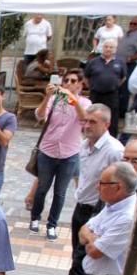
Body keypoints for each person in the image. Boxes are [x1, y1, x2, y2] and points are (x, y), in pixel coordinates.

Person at [48, 104, 125, 275]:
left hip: (97, 211)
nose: (87, 126)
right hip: (81, 207)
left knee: (79, 262)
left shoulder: (114, 150)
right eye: (86, 121)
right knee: (77, 257)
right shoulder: (84, 146)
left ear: (106, 124)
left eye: (93, 122)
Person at [29, 71, 92, 240]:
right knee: (42, 188)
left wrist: (72, 98)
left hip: (69, 153)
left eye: (73, 81)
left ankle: (52, 225)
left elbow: (85, 119)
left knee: (60, 192)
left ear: (80, 84)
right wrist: (47, 96)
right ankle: (35, 218)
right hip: (47, 150)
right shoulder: (54, 99)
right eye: (67, 81)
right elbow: (39, 115)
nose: (69, 83)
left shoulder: (85, 102)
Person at [84, 40, 126, 136]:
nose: (108, 49)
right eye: (106, 47)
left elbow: (123, 78)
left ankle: (110, 138)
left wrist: (113, 85)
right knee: (92, 116)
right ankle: (91, 135)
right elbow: (86, 77)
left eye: (111, 47)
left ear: (115, 49)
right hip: (96, 94)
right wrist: (93, 86)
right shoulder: (93, 62)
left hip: (111, 96)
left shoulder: (120, 62)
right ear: (102, 48)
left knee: (111, 119)